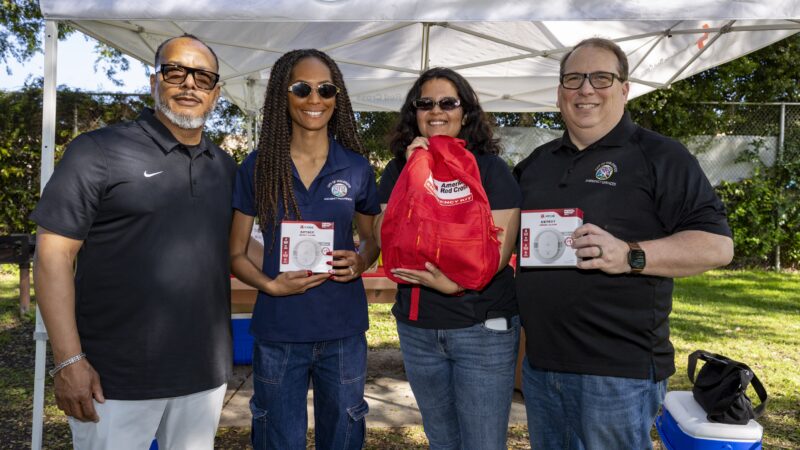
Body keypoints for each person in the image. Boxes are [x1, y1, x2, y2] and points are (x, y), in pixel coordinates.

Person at [514, 37, 735, 449]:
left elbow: (717, 246)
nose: (585, 89)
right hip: (541, 366)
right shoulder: (536, 165)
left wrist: (631, 254)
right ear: (559, 90)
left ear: (624, 88)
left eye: (601, 77)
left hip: (617, 373)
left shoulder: (661, 156)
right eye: (573, 78)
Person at [31, 35, 234, 449]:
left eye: (203, 76)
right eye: (175, 71)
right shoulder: (98, 152)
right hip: (112, 379)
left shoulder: (225, 167)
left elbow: (231, 251)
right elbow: (52, 257)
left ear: (216, 93)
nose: (189, 84)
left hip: (203, 375)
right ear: (154, 81)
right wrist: (69, 361)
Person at [229, 49, 380, 450]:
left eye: (325, 89)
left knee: (344, 438)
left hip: (342, 331)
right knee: (277, 440)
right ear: (284, 94)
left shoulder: (357, 168)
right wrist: (271, 286)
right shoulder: (258, 167)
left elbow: (372, 238)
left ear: (337, 97)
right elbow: (236, 253)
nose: (315, 99)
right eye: (302, 88)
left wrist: (362, 258)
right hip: (278, 330)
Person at [375, 67, 521, 450]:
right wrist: (414, 172)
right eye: (425, 103)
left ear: (466, 112)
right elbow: (391, 241)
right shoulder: (398, 169)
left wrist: (455, 284)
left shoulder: (491, 169)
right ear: (414, 112)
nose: (436, 110)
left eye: (448, 102)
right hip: (419, 329)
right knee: (442, 441)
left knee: (483, 443)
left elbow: (498, 252)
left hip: (482, 326)